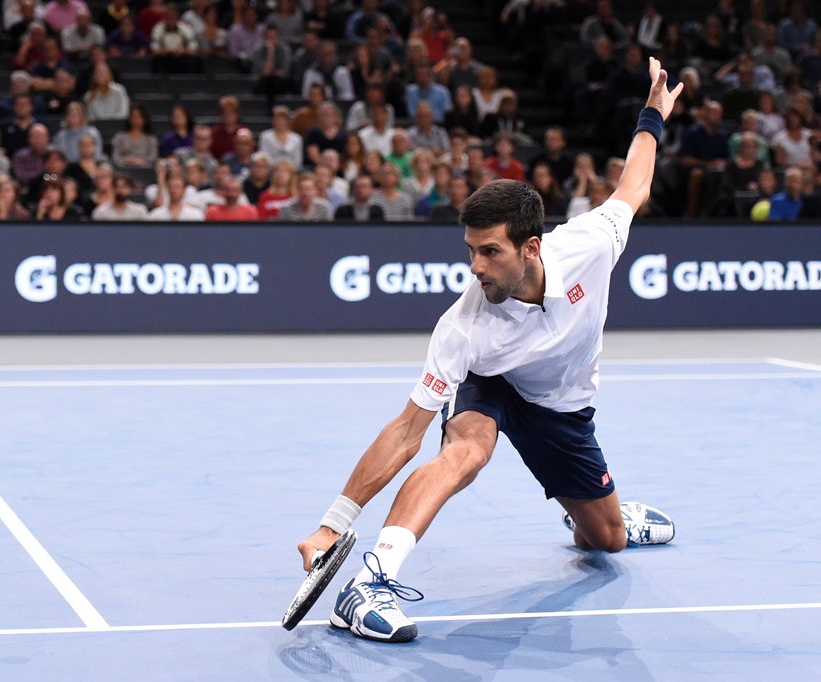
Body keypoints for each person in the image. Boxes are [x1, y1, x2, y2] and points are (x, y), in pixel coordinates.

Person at [296, 56, 682, 644]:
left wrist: (652, 113)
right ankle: (370, 584)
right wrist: (332, 524)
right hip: (492, 382)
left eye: (489, 252)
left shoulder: (591, 244)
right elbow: (406, 432)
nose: (475, 266)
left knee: (606, 542)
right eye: (470, 250)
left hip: (562, 406)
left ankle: (595, 511)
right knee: (465, 454)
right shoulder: (464, 325)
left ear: (531, 247)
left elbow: (635, 183)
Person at [259, 106, 303, 171]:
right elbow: (264, 156)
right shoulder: (265, 136)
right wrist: (277, 167)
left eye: (281, 118)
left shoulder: (296, 139)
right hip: (271, 171)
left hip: (291, 172)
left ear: (287, 120)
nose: (278, 121)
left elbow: (298, 161)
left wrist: (286, 168)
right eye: (276, 118)